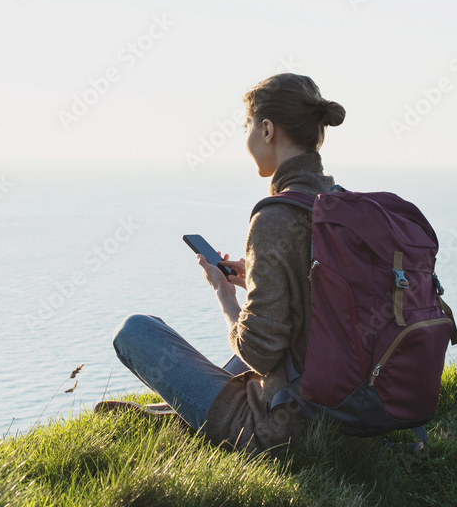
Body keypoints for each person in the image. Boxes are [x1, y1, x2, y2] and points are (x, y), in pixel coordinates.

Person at [107, 73, 346, 456]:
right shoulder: (338, 204)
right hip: (349, 407)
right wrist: (259, 281)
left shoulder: (274, 217)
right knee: (244, 350)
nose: (246, 139)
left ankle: (187, 413)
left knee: (136, 330)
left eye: (246, 127)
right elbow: (325, 302)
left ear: (267, 129)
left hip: (282, 428)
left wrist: (224, 295)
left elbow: (259, 354)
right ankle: (181, 410)